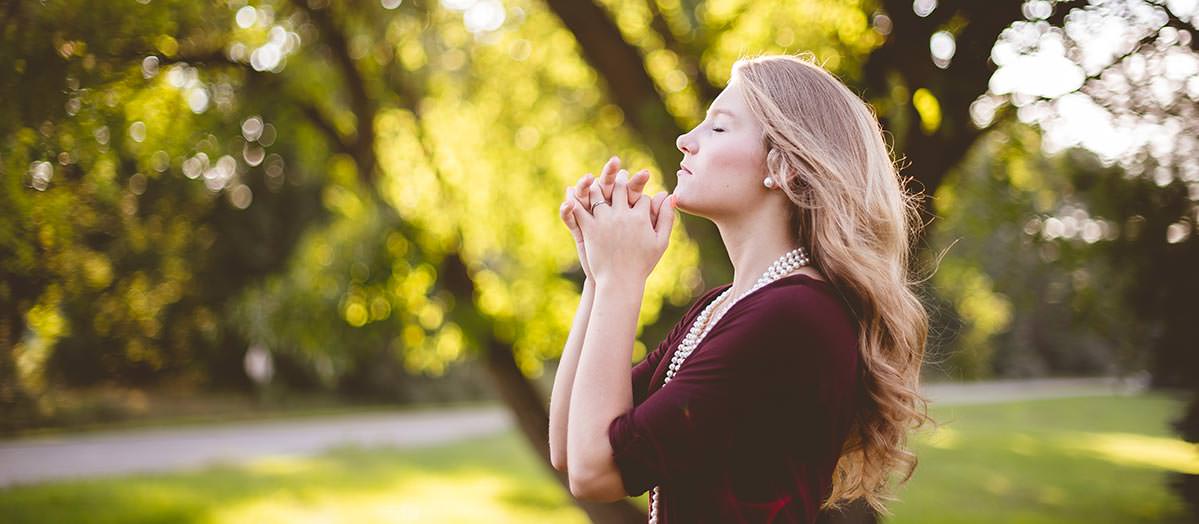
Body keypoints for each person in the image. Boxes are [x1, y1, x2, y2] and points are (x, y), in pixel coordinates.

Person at [548, 53, 934, 523]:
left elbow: (596, 472)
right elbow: (570, 447)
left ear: (785, 167)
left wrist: (621, 279)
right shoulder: (724, 307)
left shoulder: (793, 316)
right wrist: (598, 273)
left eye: (718, 128)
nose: (685, 140)